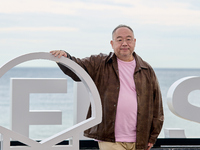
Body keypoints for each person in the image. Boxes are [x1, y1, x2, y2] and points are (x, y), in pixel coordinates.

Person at [50, 24, 164, 150]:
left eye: (128, 39)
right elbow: (78, 70)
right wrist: (66, 58)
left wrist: (153, 136)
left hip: (140, 140)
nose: (124, 43)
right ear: (112, 43)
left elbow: (157, 106)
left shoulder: (146, 69)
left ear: (134, 42)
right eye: (119, 40)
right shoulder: (100, 63)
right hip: (110, 139)